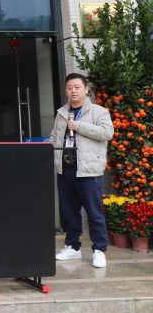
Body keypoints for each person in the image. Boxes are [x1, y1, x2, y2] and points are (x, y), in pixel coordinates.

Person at [49, 72, 114, 268]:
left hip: (88, 170)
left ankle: (99, 250)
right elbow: (54, 138)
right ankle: (72, 246)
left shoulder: (99, 112)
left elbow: (107, 133)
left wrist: (78, 126)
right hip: (65, 169)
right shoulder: (61, 113)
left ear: (86, 89)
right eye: (69, 88)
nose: (73, 91)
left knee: (94, 212)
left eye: (77, 87)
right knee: (69, 212)